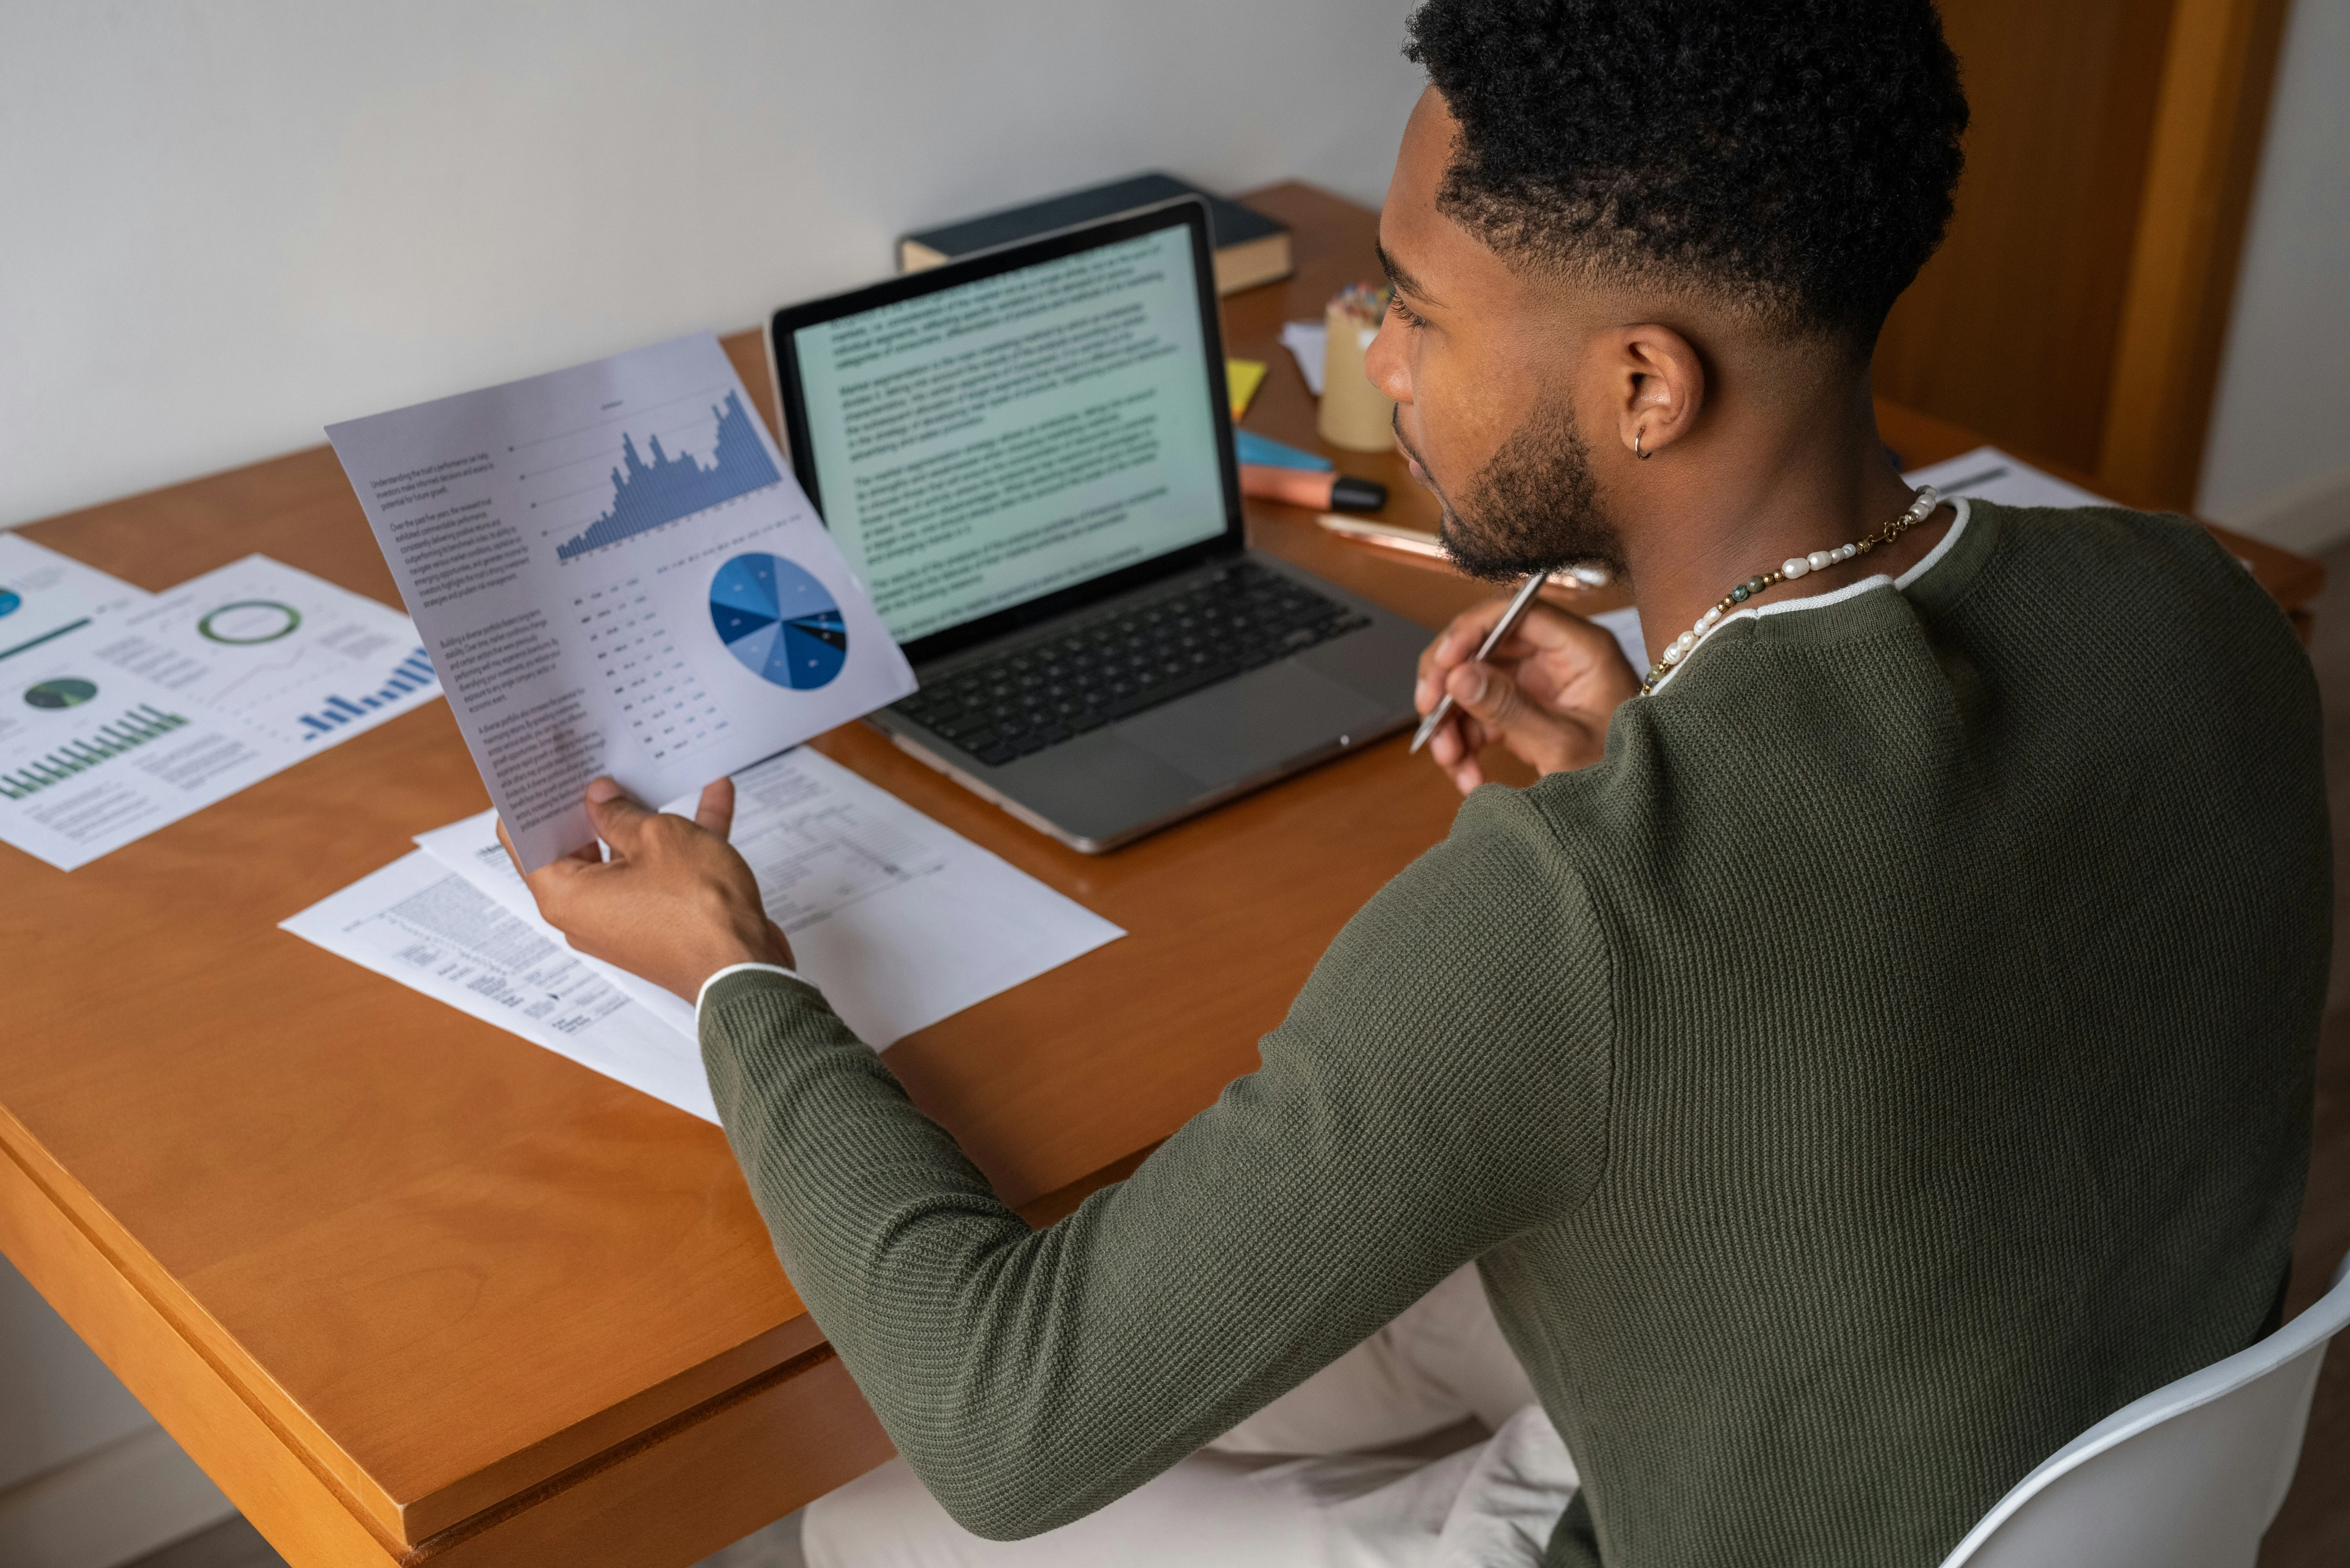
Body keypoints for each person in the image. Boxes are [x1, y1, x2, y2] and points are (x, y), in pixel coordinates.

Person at [508, 3, 2328, 1564]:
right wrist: (1655, 753)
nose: (1369, 356)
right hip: (2009, 1409)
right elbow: (1917, 914)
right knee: (1270, 1318)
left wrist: (735, 974)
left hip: (1702, 1507)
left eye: (1418, 313)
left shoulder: (1575, 925)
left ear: (1643, 386)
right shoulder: (2199, 600)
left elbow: (1009, 1416)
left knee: (871, 1509)